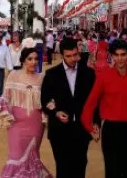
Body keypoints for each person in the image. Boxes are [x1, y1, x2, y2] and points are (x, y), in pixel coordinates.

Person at [81, 39, 127, 177]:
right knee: (112, 172)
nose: (120, 58)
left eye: (123, 54)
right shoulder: (104, 77)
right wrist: (89, 127)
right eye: (116, 55)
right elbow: (91, 103)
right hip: (111, 130)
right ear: (112, 56)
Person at [0, 47, 53, 177]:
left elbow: (47, 100)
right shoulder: (13, 75)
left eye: (36, 59)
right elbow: (6, 97)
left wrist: (53, 106)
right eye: (30, 59)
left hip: (36, 125)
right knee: (15, 157)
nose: (34, 62)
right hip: (16, 124)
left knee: (32, 158)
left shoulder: (42, 78)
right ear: (23, 61)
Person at [41, 38, 98, 178]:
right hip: (59, 131)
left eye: (75, 55)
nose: (73, 59)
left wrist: (96, 122)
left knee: (80, 167)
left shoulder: (89, 73)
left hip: (81, 130)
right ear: (62, 55)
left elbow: (95, 101)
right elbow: (45, 100)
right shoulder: (51, 74)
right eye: (68, 56)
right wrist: (55, 112)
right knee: (63, 169)